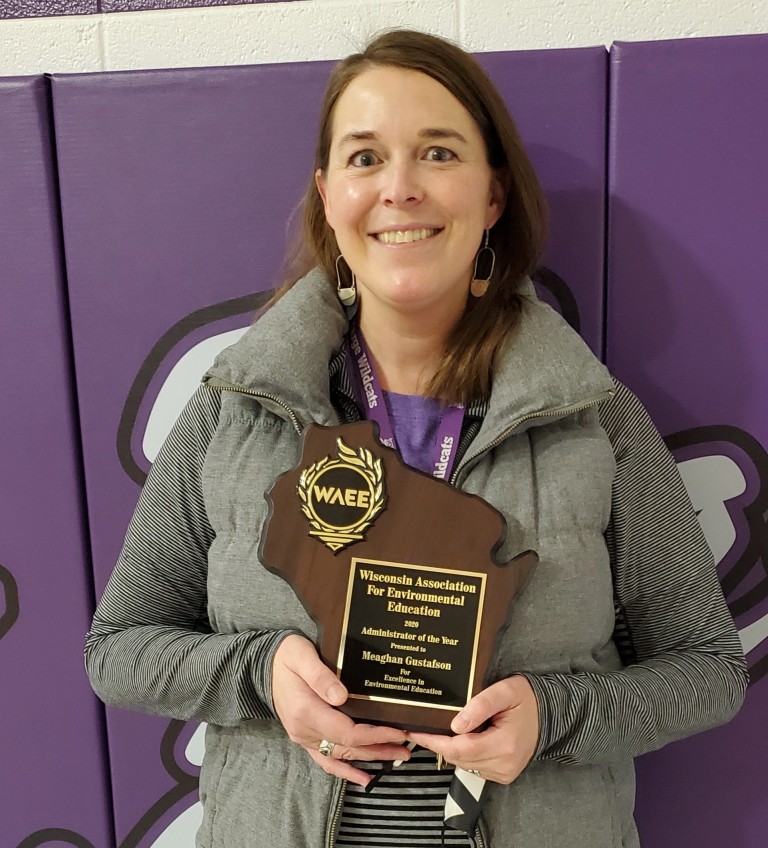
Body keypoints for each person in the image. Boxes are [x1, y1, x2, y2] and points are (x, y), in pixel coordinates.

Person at [85, 29, 747, 848]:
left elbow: (709, 670)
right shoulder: (233, 412)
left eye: (438, 153)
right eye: (365, 159)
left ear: (494, 194)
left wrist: (559, 717)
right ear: (328, 196)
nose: (400, 189)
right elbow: (117, 651)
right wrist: (259, 674)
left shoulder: (595, 418)